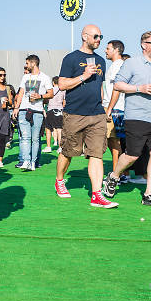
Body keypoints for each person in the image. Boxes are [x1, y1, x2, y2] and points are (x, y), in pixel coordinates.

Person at [103, 30, 151, 208]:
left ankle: (149, 194)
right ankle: (114, 176)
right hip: (137, 116)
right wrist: (140, 88)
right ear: (143, 45)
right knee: (132, 155)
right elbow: (118, 84)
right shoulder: (131, 63)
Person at [54, 25, 115, 207]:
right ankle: (59, 180)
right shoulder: (71, 58)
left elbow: (100, 88)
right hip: (74, 114)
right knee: (68, 152)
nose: (99, 39)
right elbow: (62, 85)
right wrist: (83, 76)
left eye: (101, 36)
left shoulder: (101, 61)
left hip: (97, 114)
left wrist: (105, 108)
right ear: (84, 36)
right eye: (96, 36)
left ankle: (96, 195)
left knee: (97, 154)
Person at [13, 55, 53, 171]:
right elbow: (21, 92)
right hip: (24, 109)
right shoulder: (25, 77)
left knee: (35, 139)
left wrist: (40, 96)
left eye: (27, 63)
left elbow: (50, 94)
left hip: (38, 111)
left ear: (33, 64)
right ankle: (26, 161)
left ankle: (33, 162)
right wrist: (16, 107)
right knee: (25, 137)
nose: (26, 65)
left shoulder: (45, 77)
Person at [104, 39, 126, 178]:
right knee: (112, 142)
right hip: (112, 107)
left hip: (115, 109)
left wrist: (110, 108)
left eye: (108, 48)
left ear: (116, 50)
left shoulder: (118, 66)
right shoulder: (114, 65)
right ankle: (119, 172)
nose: (105, 51)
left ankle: (117, 174)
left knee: (115, 142)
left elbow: (116, 89)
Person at [44, 76, 65, 153]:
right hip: (59, 110)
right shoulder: (62, 90)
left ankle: (48, 146)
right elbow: (64, 102)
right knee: (59, 129)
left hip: (50, 110)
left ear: (53, 82)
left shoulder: (51, 90)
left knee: (48, 128)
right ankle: (60, 147)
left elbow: (46, 100)